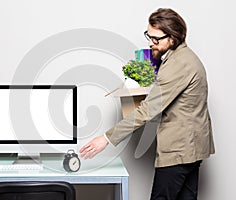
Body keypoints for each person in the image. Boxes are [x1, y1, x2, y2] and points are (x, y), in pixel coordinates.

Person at [79, 8, 215, 200]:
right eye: (148, 36)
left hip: (179, 150)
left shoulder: (178, 64)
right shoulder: (183, 58)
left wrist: (106, 138)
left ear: (173, 38)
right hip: (191, 149)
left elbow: (148, 110)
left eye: (156, 39)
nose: (151, 43)